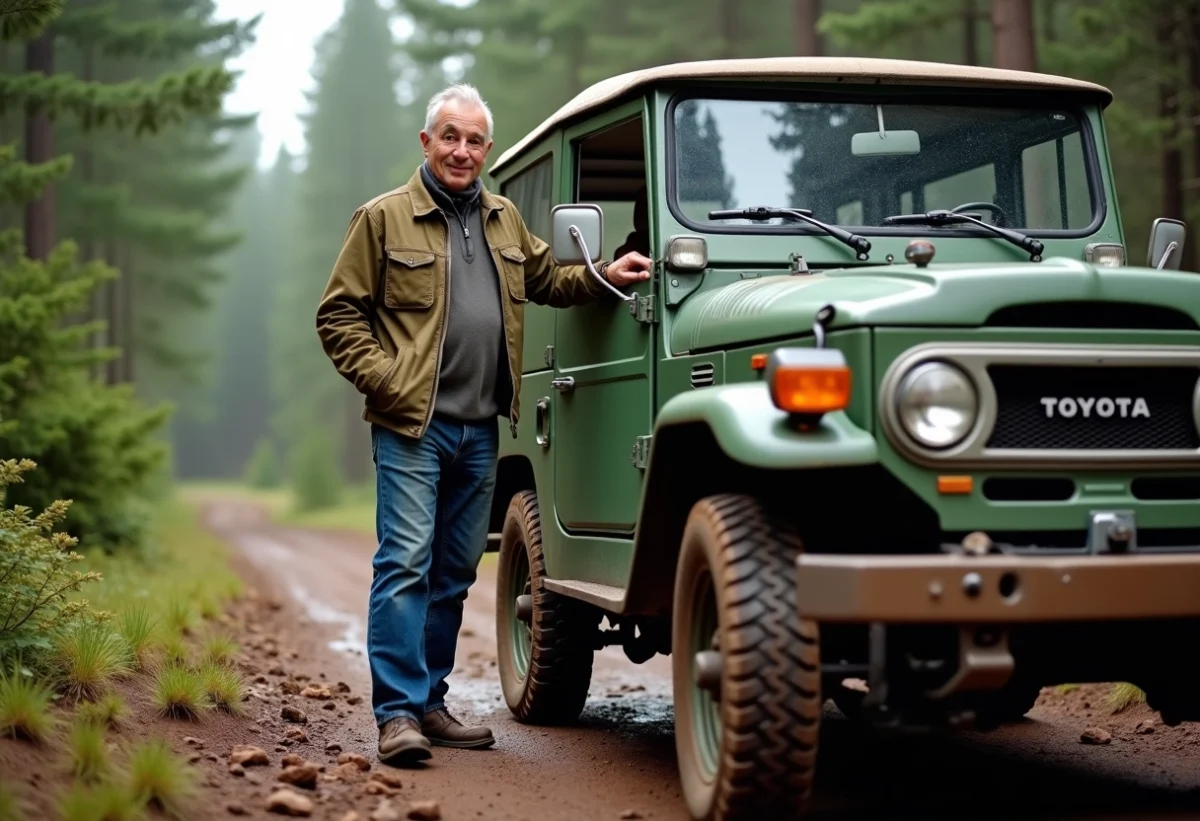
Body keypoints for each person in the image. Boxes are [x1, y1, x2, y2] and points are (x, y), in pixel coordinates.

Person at [314, 83, 652, 768]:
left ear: (485, 150)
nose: (461, 150)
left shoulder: (501, 220)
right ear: (426, 141)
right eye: (449, 136)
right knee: (404, 562)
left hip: (480, 432)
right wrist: (387, 380)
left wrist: (606, 271)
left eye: (473, 140)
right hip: (413, 426)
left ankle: (431, 701)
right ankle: (397, 714)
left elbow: (549, 281)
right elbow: (337, 315)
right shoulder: (383, 219)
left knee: (454, 570)